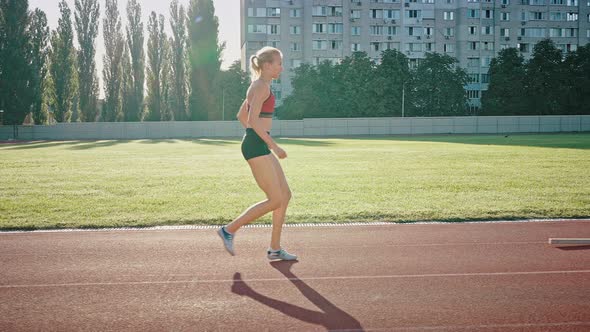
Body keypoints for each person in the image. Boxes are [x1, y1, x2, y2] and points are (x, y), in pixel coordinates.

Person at [217, 47, 297, 261]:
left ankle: (274, 249)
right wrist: (273, 145)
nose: (281, 67)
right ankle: (228, 230)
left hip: (256, 142)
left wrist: (255, 135)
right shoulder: (261, 87)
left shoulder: (260, 86)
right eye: (279, 63)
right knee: (274, 199)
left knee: (285, 195)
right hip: (257, 145)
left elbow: (241, 115)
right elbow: (251, 120)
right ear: (267, 65)